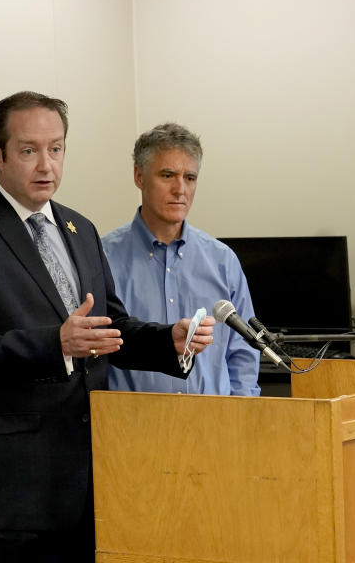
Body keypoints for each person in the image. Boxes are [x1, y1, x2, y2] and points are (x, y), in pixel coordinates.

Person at [0, 91, 216, 563]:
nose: (47, 164)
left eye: (56, 148)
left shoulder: (79, 229)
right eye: (29, 150)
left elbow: (110, 330)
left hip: (89, 477)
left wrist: (169, 340)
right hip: (14, 486)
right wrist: (54, 343)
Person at [102, 123, 260, 395]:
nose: (180, 189)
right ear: (139, 177)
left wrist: (240, 420)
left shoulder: (222, 261)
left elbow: (243, 353)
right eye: (167, 175)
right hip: (130, 427)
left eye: (190, 178)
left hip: (213, 426)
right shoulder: (102, 257)